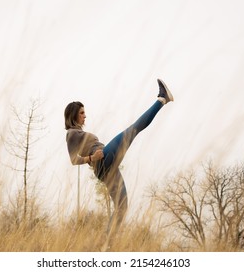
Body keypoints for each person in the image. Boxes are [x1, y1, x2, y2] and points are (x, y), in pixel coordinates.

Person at [64, 79, 174, 236]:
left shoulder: (78, 133)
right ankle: (162, 99)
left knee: (122, 207)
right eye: (81, 113)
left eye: (84, 112)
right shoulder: (71, 133)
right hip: (103, 161)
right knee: (133, 129)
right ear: (73, 114)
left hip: (107, 169)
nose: (85, 116)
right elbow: (74, 159)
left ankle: (108, 244)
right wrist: (92, 157)